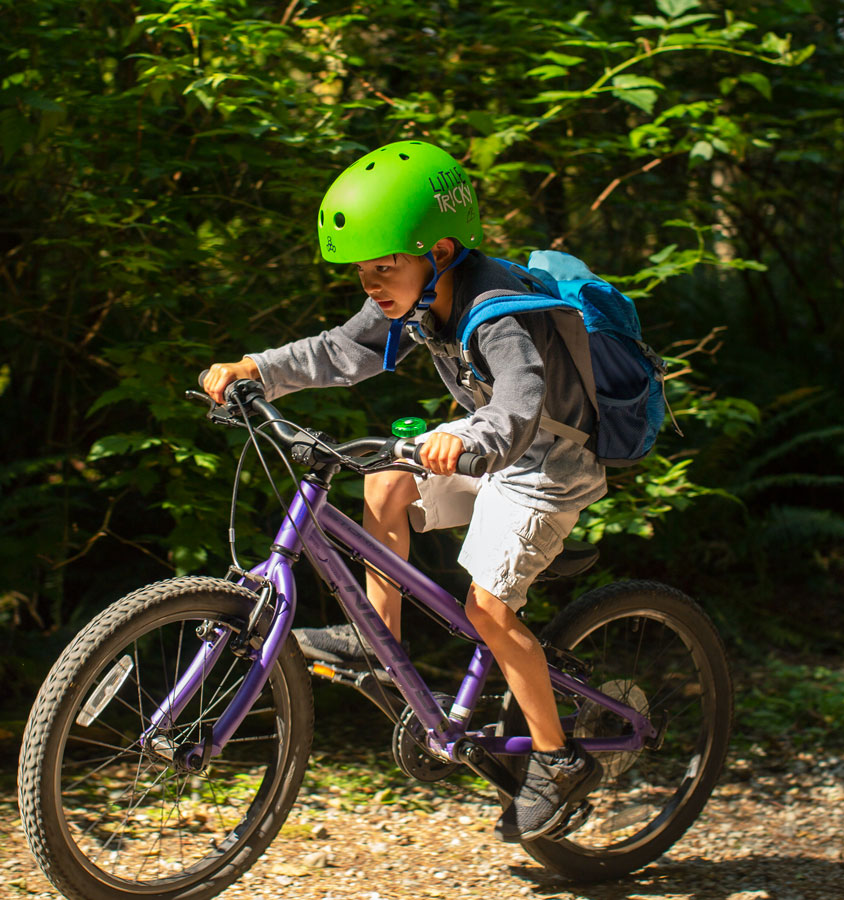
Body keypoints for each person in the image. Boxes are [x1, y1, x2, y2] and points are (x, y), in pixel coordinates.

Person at [202, 140, 604, 843]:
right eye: (363, 272)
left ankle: (557, 759)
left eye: (386, 267)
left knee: (487, 608)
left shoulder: (498, 309)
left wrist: (470, 444)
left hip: (547, 466)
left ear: (441, 250)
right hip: (491, 451)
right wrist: (256, 369)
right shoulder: (412, 299)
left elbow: (521, 395)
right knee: (386, 479)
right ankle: (373, 634)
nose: (372, 286)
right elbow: (342, 350)